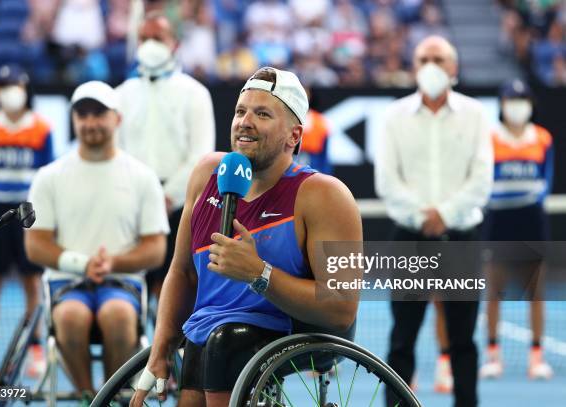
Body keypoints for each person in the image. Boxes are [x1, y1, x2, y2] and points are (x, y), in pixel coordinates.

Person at [129, 66, 362, 407]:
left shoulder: (326, 196)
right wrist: (162, 347)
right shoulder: (208, 173)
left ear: (293, 136)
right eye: (241, 111)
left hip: (294, 331)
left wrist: (259, 273)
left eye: (262, 114)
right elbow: (182, 272)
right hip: (212, 332)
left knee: (226, 339)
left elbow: (342, 308)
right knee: (204, 340)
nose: (244, 122)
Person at [24, 81, 170, 402]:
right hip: (67, 283)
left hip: (122, 284)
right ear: (73, 120)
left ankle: (110, 395)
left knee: (117, 315)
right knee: (69, 318)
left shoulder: (142, 176)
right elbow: (35, 244)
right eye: (82, 115)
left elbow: (156, 249)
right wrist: (82, 264)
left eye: (99, 114)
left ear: (117, 119)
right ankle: (89, 397)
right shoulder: (49, 176)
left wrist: (112, 263)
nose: (90, 122)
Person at [375, 35, 493, 407]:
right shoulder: (393, 117)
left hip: (461, 240)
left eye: (439, 59)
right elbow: (387, 181)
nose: (431, 66)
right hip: (410, 239)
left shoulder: (475, 114)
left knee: (463, 342)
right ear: (413, 66)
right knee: (401, 340)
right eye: (424, 58)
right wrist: (422, 216)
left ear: (454, 68)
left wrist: (445, 215)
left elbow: (482, 178)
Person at [116, 11, 215, 301]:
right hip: (133, 205)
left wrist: (167, 196)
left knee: (179, 291)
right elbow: (117, 152)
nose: (149, 45)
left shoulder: (195, 93)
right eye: (143, 38)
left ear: (174, 44)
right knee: (132, 292)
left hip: (180, 208)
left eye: (157, 38)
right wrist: (143, 196)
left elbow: (201, 155)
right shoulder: (121, 94)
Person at [0, 64, 53, 380]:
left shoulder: (41, 128)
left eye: (14, 84)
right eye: (3, 85)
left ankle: (37, 352)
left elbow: (46, 173)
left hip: (26, 214)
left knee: (32, 282)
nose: (9, 91)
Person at [479, 79, 554, 380]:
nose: (517, 105)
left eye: (522, 99)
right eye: (511, 99)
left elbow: (546, 182)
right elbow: (484, 182)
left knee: (536, 290)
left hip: (532, 222)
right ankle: (493, 354)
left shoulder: (543, 138)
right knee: (494, 289)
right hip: (499, 222)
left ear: (531, 104)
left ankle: (536, 357)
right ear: (502, 103)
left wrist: (528, 196)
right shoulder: (490, 138)